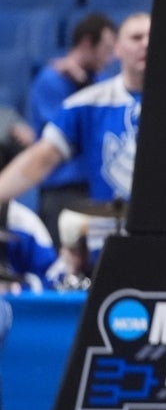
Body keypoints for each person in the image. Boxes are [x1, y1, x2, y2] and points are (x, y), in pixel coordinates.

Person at [25, 13, 118, 246]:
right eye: (106, 49)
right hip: (61, 189)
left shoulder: (97, 81)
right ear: (87, 43)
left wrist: (85, 83)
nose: (109, 59)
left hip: (93, 188)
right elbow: (66, 135)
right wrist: (82, 87)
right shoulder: (51, 80)